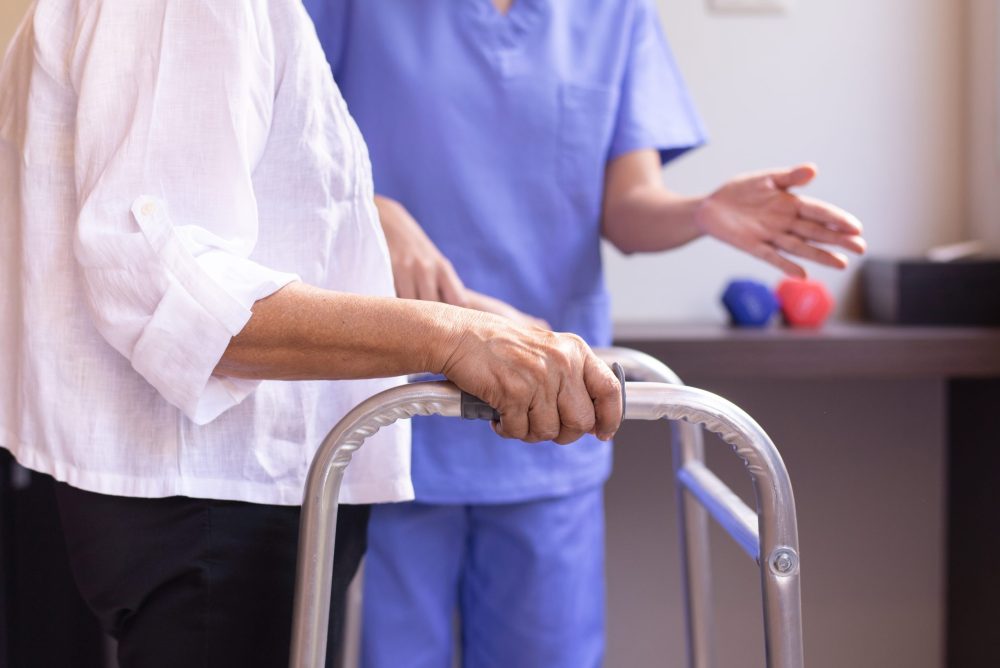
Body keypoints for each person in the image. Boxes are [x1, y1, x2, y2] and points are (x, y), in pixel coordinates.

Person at [0, 2, 624, 667]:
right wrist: (451, 336)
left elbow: (236, 230)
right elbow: (168, 285)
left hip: (228, 498)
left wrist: (453, 309)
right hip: (215, 503)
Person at [305, 1, 866, 666]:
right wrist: (374, 211)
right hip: (386, 416)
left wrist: (703, 212)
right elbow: (292, 150)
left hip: (552, 414)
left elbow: (627, 208)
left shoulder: (614, 14)